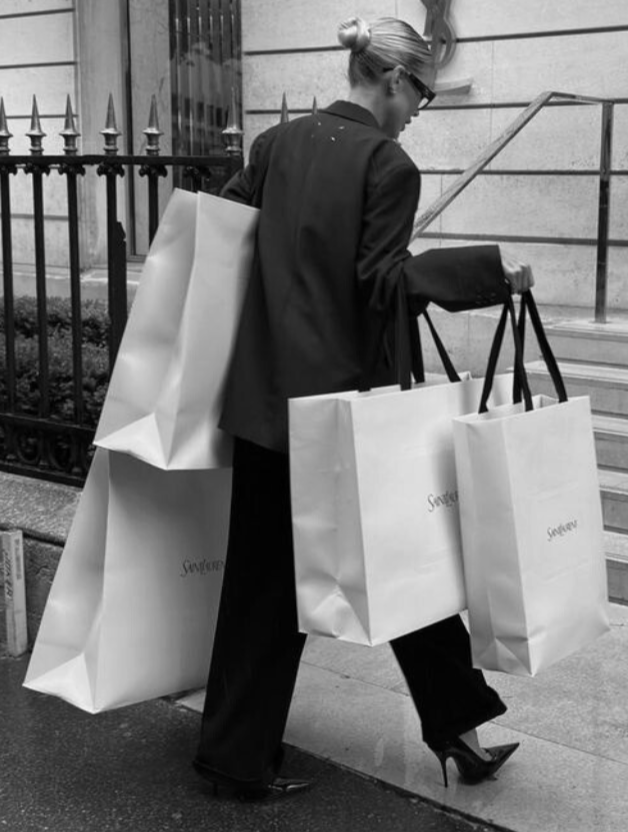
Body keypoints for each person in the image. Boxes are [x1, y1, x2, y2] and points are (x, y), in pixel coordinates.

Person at [193, 15, 534, 802]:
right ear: (389, 80)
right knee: (410, 562)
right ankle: (450, 730)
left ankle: (248, 754)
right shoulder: (388, 165)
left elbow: (227, 233)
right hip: (348, 415)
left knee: (266, 587)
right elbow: (382, 286)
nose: (421, 107)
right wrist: (486, 272)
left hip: (266, 403)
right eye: (421, 91)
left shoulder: (276, 146)